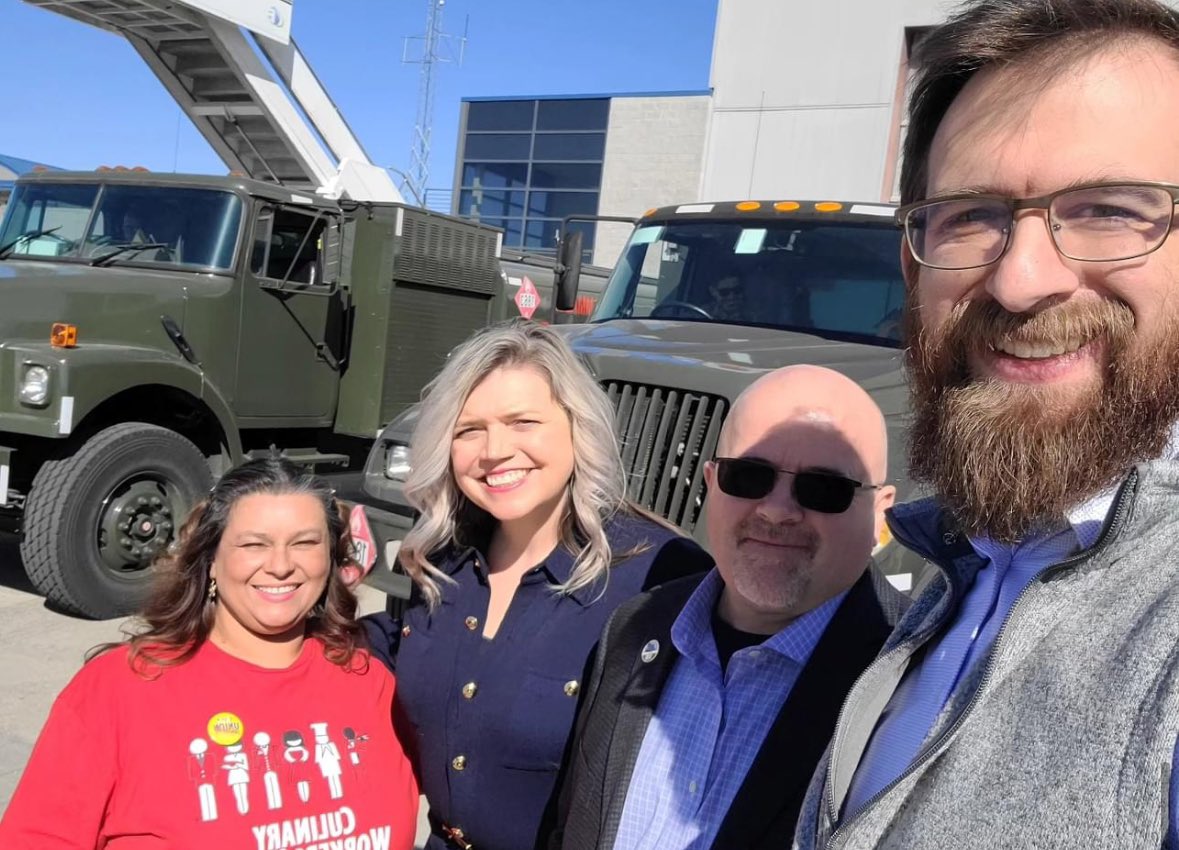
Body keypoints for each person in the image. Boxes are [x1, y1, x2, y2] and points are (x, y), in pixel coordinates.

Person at [793, 2, 1179, 848]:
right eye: (971, 216)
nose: (1017, 281)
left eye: (1108, 209)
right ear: (912, 259)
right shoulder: (969, 550)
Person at [361, 320, 714, 850]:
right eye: (468, 429)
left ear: (578, 427)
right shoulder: (439, 563)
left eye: (522, 422)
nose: (494, 450)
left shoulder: (663, 574)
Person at [548, 365, 909, 850]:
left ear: (879, 512)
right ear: (712, 481)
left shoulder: (912, 680)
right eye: (749, 476)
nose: (777, 510)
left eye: (824, 488)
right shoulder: (635, 629)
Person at [0, 458, 419, 849]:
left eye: (305, 543)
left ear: (330, 560)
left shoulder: (371, 680)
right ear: (211, 561)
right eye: (254, 544)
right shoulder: (118, 691)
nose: (280, 565)